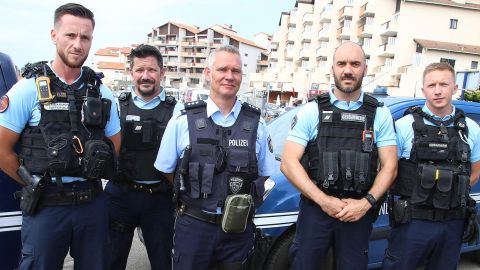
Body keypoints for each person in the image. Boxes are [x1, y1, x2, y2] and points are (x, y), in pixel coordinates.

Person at [0, 3, 121, 270]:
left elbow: (115, 146)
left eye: (85, 37)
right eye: (70, 35)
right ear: (54, 35)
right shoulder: (28, 90)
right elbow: (2, 149)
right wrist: (31, 182)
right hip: (46, 206)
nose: (78, 44)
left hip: (91, 205)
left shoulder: (102, 93)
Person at [154, 45, 276, 270]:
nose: (229, 76)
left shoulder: (258, 125)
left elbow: (265, 171)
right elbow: (165, 168)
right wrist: (192, 188)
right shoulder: (182, 122)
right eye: (222, 69)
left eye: (236, 71)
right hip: (194, 226)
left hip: (237, 230)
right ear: (208, 73)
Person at [280, 41, 398, 270]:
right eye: (341, 63)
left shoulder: (380, 114)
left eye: (355, 64)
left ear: (364, 69)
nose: (347, 70)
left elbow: (390, 166)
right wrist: (324, 201)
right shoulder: (312, 111)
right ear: (332, 68)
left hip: (358, 212)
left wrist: (365, 204)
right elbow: (288, 162)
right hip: (317, 210)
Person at [382, 62, 480, 269]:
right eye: (431, 85)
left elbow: (475, 169)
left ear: (455, 88)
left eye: (444, 84)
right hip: (412, 221)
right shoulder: (403, 126)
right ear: (423, 89)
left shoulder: (471, 129)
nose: (437, 91)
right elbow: (388, 170)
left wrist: (448, 192)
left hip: (452, 222)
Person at [105, 44, 181, 270]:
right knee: (110, 261)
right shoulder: (116, 107)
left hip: (159, 200)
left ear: (162, 72)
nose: (145, 76)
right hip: (120, 197)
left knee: (163, 263)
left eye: (152, 70)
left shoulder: (178, 110)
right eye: (139, 70)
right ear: (131, 72)